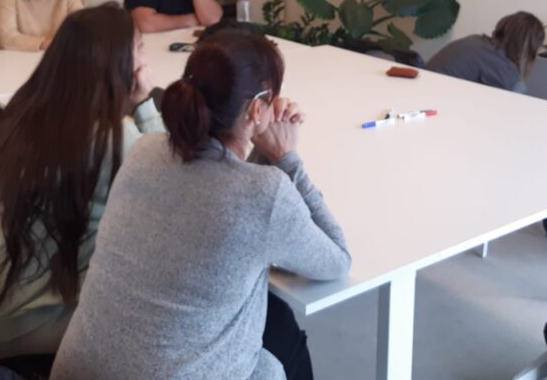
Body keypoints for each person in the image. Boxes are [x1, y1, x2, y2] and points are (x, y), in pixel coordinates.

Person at [51, 31, 351, 380]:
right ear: (257, 109)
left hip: (77, 368)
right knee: (269, 367)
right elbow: (337, 259)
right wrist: (286, 158)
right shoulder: (265, 195)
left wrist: (257, 140)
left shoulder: (145, 150)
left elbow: (225, 187)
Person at [0, 4, 163, 357]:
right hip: (26, 325)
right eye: (139, 48)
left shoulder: (25, 111)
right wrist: (145, 105)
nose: (145, 59)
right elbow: (172, 182)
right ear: (119, 63)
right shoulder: (110, 138)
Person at [426, 11, 545, 92]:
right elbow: (498, 105)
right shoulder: (503, 65)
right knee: (520, 88)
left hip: (427, 88)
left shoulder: (476, 40)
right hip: (437, 100)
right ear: (529, 48)